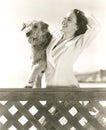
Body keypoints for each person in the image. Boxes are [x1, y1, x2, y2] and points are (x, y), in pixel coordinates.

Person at [45, 9, 100, 88]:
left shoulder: (78, 42)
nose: (64, 21)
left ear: (77, 26)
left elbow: (96, 28)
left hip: (69, 90)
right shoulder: (54, 35)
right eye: (64, 18)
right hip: (48, 89)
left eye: (69, 20)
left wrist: (85, 18)